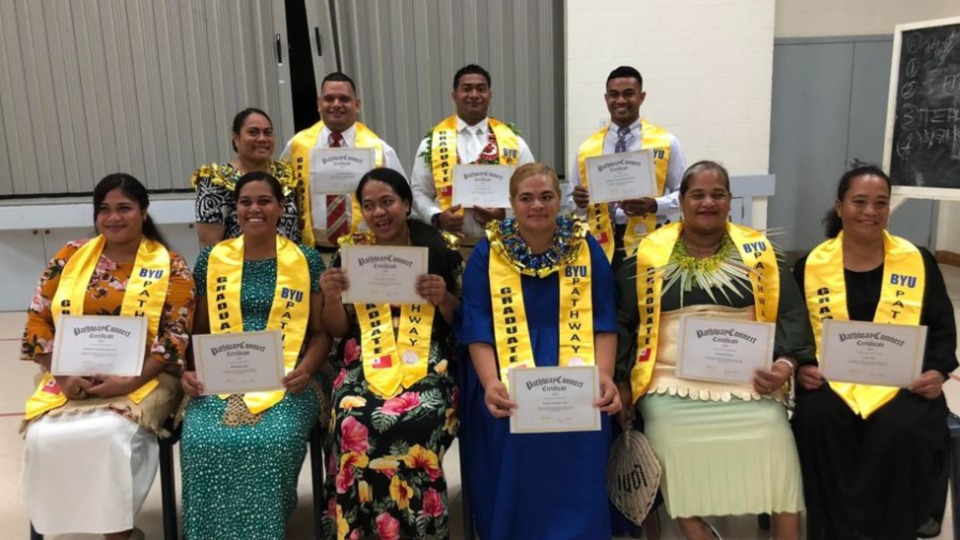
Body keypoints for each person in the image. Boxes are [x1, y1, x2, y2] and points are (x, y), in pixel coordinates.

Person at [617, 161, 811, 540]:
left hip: (749, 378)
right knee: (666, 435)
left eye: (717, 194)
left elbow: (791, 313)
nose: (708, 202)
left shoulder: (761, 253)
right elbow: (625, 322)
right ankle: (697, 531)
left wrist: (785, 364)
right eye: (698, 195)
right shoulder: (647, 255)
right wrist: (624, 380)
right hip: (668, 379)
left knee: (775, 434)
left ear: (729, 200)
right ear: (682, 201)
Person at [20, 174, 195, 540]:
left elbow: (173, 338)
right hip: (72, 377)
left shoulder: (172, 266)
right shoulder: (69, 256)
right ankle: (58, 527)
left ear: (143, 213)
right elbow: (39, 319)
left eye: (124, 208)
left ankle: (118, 533)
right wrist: (64, 375)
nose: (113, 217)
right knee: (42, 437)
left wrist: (130, 380)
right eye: (104, 210)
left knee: (109, 432)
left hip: (146, 377)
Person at [791, 165, 957, 540]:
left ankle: (896, 529)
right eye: (859, 202)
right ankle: (831, 528)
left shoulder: (918, 261)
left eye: (880, 203)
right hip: (831, 383)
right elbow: (795, 332)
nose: (870, 211)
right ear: (839, 207)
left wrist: (938, 372)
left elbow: (943, 328)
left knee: (902, 428)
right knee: (816, 419)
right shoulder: (810, 266)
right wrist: (802, 366)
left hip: (903, 383)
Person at [459, 163, 621, 539]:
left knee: (589, 421)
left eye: (546, 196)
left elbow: (604, 319)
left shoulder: (585, 246)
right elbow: (477, 325)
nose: (537, 205)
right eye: (526, 198)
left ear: (559, 200)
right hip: (503, 363)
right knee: (506, 424)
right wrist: (489, 382)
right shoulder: (488, 252)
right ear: (512, 203)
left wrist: (605, 375)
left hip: (577, 361)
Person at [179, 171, 329, 539]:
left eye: (264, 201)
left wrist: (307, 370)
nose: (254, 209)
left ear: (280, 208)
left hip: (290, 377)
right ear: (236, 210)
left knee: (271, 439)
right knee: (201, 439)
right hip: (220, 379)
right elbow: (197, 329)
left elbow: (322, 333)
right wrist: (188, 370)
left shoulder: (306, 260)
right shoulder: (211, 261)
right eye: (246, 202)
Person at [319, 167, 462, 539]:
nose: (379, 213)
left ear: (406, 204)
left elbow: (462, 320)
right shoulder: (352, 254)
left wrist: (443, 297)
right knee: (353, 419)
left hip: (429, 355)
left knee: (421, 417)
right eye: (369, 206)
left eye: (387, 202)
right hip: (363, 355)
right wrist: (333, 296)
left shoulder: (439, 250)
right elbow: (336, 328)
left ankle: (422, 524)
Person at [566, 65, 687, 270]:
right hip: (600, 242)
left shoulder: (667, 143)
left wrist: (654, 205)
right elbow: (571, 202)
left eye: (628, 94)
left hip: (649, 240)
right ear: (606, 99)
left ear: (641, 97)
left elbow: (685, 196)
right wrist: (578, 202)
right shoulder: (587, 148)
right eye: (614, 95)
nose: (620, 100)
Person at [280, 71, 408, 247]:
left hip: (365, 251)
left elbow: (403, 201)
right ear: (319, 104)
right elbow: (282, 198)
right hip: (311, 250)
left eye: (344, 99)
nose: (336, 104)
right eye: (329, 99)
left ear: (357, 105)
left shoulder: (378, 149)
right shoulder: (297, 146)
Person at [411, 64, 535, 242]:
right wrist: (437, 217)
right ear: (454, 96)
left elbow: (531, 189)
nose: (474, 95)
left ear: (489, 95)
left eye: (481, 89)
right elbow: (418, 191)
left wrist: (505, 214)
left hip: (503, 243)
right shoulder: (432, 144)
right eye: (466, 89)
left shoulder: (513, 142)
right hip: (447, 243)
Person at [192, 107, 311, 247]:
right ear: (236, 139)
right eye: (253, 132)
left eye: (268, 133)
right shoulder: (215, 180)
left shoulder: (287, 175)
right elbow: (210, 243)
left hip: (290, 264)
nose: (262, 139)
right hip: (236, 266)